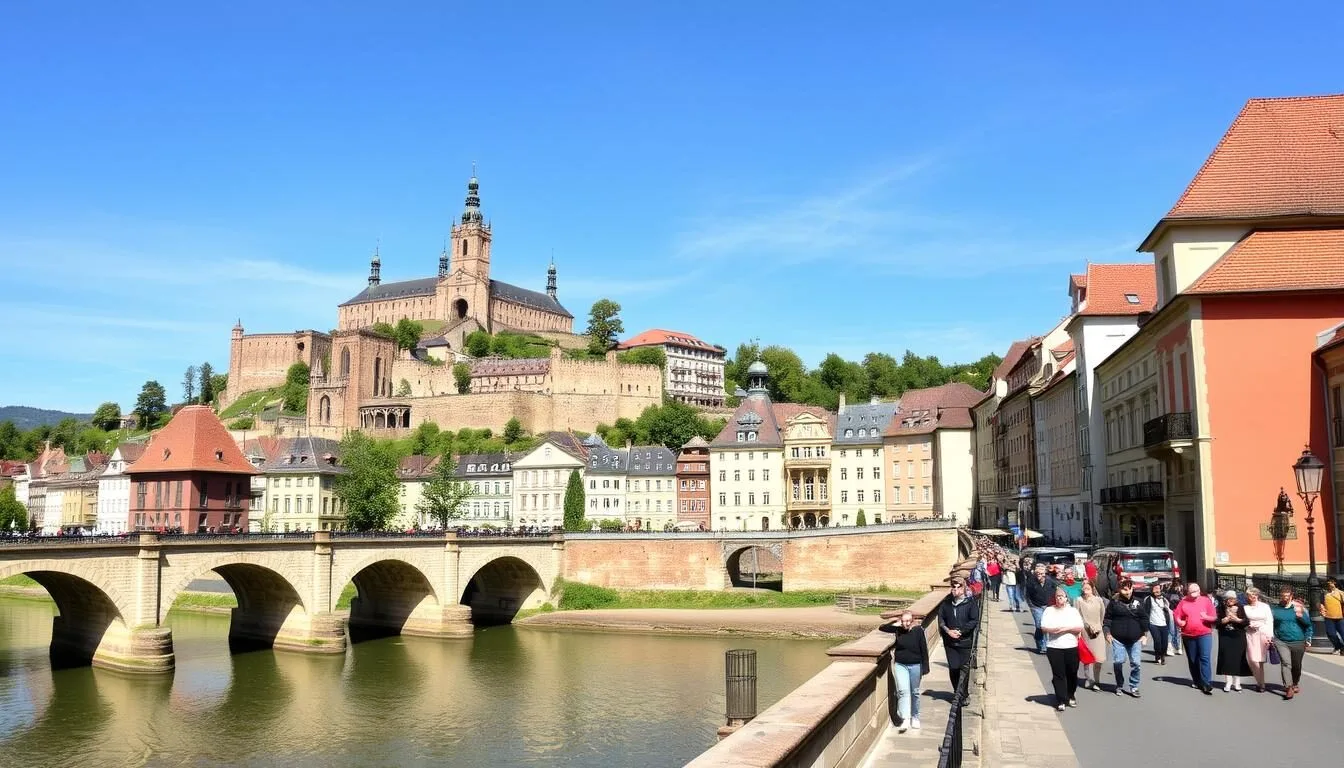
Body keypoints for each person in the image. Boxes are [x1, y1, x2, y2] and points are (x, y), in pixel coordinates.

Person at [880, 610, 930, 732]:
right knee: (903, 691)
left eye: (908, 621)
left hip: (915, 665)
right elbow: (882, 628)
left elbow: (924, 648)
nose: (906, 624)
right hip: (900, 664)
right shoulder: (898, 630)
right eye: (903, 621)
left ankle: (915, 717)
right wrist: (895, 623)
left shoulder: (918, 630)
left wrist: (925, 667)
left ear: (912, 621)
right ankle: (905, 718)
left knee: (915, 692)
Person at [1040, 587, 1085, 711]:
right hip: (1054, 647)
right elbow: (1044, 627)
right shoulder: (1049, 610)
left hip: (1071, 646)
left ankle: (1071, 694)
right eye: (1057, 596)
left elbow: (1079, 627)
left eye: (1062, 596)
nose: (1059, 598)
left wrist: (1066, 629)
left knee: (1071, 672)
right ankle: (1061, 699)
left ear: (1066, 598)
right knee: (1058, 674)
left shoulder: (1073, 611)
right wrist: (1053, 630)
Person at [1103, 578, 1149, 697]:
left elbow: (1144, 618)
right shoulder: (1114, 603)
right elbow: (1107, 619)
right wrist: (1107, 633)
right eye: (1125, 590)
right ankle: (1119, 684)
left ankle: (1134, 686)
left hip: (1135, 639)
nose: (1128, 592)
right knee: (1118, 662)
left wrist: (1145, 634)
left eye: (1130, 589)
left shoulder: (1138, 602)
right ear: (1119, 590)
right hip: (1118, 639)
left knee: (1136, 663)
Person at [1172, 582, 1216, 694]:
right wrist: (1179, 622)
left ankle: (1207, 683)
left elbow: (1214, 616)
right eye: (1192, 592)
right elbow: (1176, 615)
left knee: (1204, 658)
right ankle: (1197, 681)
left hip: (1204, 633)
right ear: (1188, 592)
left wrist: (1207, 617)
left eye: (1197, 591)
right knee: (1193, 659)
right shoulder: (1183, 602)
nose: (1195, 594)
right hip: (1188, 635)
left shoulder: (1205, 600)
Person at [1270, 584, 1313, 699]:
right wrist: (1271, 637)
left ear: (1291, 596)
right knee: (1286, 663)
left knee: (1296, 666)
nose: (1284, 598)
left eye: (1287, 596)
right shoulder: (1275, 609)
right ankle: (1288, 687)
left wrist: (1308, 638)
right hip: (1281, 640)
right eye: (1283, 596)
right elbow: (1270, 624)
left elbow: (1308, 625)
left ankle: (1295, 683)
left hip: (1298, 641)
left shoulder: (1298, 608)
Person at [938, 579, 980, 690]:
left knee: (964, 669)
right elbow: (941, 619)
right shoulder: (946, 603)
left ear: (964, 589)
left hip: (965, 641)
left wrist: (961, 631)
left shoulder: (970, 603)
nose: (956, 590)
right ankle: (957, 691)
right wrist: (948, 631)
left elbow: (974, 620)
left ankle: (963, 694)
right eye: (954, 587)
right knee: (953, 667)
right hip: (950, 642)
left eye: (958, 587)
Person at [1074, 579, 1108, 691]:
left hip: (1098, 631)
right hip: (1085, 631)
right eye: (1084, 587)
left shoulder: (1099, 600)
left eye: (1088, 587)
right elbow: (1076, 616)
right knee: (1088, 657)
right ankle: (1090, 679)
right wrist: (1079, 631)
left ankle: (1097, 679)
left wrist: (1099, 626)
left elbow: (1102, 615)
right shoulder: (1078, 600)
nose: (1086, 589)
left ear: (1092, 588)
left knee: (1099, 658)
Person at [1214, 589, 1251, 691]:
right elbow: (1216, 622)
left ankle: (1237, 682)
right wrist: (1223, 620)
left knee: (1238, 659)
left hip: (1238, 636)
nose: (1231, 601)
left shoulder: (1240, 607)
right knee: (1226, 659)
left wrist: (1238, 620)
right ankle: (1228, 682)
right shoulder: (1220, 607)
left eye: (1233, 599)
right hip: (1225, 636)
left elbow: (1246, 622)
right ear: (1225, 599)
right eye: (1229, 599)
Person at [1242, 586, 1273, 693]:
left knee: (1260, 660)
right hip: (1251, 634)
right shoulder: (1245, 608)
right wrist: (1248, 626)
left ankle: (1261, 684)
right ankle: (1260, 682)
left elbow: (1269, 621)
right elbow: (1243, 622)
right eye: (1251, 595)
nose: (1254, 597)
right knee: (1252, 659)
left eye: (1255, 594)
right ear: (1247, 596)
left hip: (1263, 633)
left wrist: (1270, 635)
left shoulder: (1265, 606)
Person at [1023, 563, 1059, 654]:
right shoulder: (1031, 581)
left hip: (1048, 606)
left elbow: (1057, 591)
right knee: (1039, 625)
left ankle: (1047, 645)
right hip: (1036, 606)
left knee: (1047, 626)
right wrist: (1031, 605)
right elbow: (1027, 595)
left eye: (1041, 573)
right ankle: (1041, 645)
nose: (1039, 575)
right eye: (1037, 573)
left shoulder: (1050, 581)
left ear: (1045, 573)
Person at [1143, 582, 1172, 665]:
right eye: (1155, 589)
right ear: (1152, 590)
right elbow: (1145, 612)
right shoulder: (1148, 599)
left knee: (1165, 642)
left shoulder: (1164, 598)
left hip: (1164, 623)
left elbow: (1170, 607)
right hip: (1153, 623)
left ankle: (1163, 655)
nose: (1157, 590)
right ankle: (1157, 656)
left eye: (1158, 589)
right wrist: (1145, 625)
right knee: (1157, 641)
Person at [1322, 577, 1344, 655]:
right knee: (1331, 634)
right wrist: (1322, 609)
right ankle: (1339, 647)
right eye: (1328, 583)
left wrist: (1336, 591)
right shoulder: (1325, 593)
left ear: (1335, 583)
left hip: (1340, 617)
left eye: (1330, 582)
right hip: (1329, 618)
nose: (1328, 584)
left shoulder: (1340, 593)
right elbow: (1321, 604)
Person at [1166, 580, 1185, 656]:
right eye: (1176, 585)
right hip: (1171, 612)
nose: (1177, 587)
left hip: (1179, 613)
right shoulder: (1169, 593)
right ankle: (1170, 647)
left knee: (1178, 630)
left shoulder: (1181, 594)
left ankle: (1178, 647)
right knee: (1171, 630)